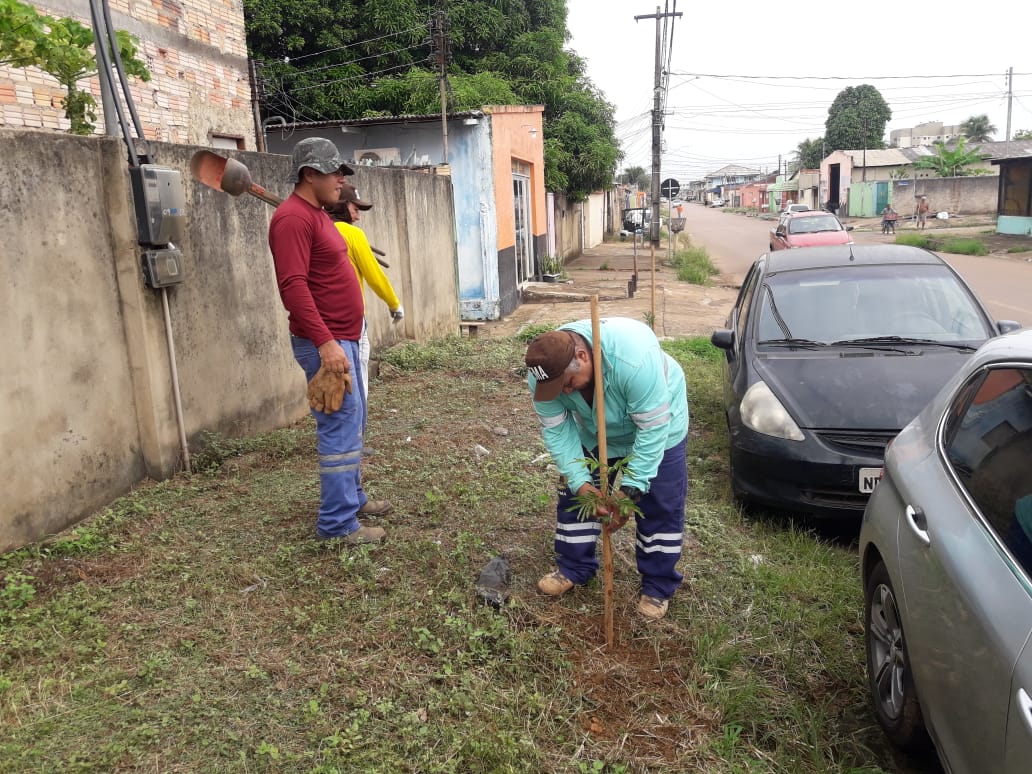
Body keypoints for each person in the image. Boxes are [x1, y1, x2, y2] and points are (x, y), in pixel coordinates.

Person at [267, 137, 389, 544]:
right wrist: (326, 344)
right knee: (338, 425)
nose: (341, 179)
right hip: (327, 343)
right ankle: (337, 524)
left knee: (351, 422)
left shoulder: (316, 214)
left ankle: (352, 499)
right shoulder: (291, 220)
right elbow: (293, 287)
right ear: (309, 174)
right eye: (334, 171)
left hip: (343, 337)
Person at [525, 318, 689, 620]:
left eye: (567, 383)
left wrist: (630, 491)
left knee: (660, 505)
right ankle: (574, 568)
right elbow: (557, 431)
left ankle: (657, 585)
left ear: (583, 357)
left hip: (660, 426)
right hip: (595, 429)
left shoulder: (634, 359)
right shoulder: (543, 373)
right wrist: (580, 481)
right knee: (576, 499)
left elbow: (652, 430)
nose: (564, 392)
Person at [325, 182, 404, 404]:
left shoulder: (318, 229)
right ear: (342, 205)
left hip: (322, 322)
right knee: (357, 378)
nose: (358, 216)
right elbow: (374, 276)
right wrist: (394, 304)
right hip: (351, 320)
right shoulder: (353, 234)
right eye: (355, 209)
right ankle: (357, 426)